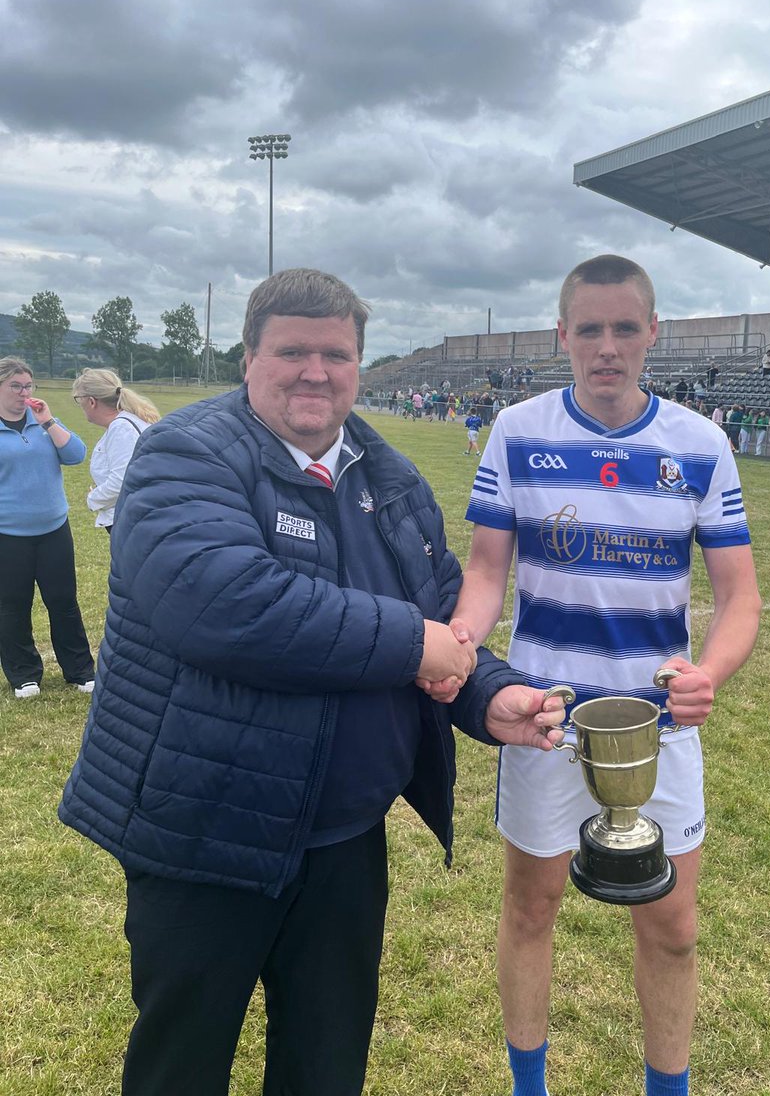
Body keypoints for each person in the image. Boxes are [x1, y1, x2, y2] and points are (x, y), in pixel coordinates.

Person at [58, 270, 566, 1096]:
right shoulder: (183, 453)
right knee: (181, 1066)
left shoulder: (388, 476)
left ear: (360, 364)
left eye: (336, 354)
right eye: (292, 350)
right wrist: (415, 645)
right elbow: (227, 605)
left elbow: (440, 610)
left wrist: (487, 691)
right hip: (205, 829)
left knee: (326, 1067)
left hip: (343, 838)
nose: (315, 372)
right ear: (249, 357)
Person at [446, 255, 761, 1096]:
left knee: (673, 930)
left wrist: (711, 675)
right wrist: (464, 641)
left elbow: (740, 600)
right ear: (563, 335)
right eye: (590, 329)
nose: (608, 347)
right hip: (545, 721)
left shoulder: (700, 444)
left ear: (652, 332)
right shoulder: (518, 430)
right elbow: (484, 570)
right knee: (531, 910)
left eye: (626, 328)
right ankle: (528, 1088)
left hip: (658, 731)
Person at [0, 356, 95, 699]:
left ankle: (80, 670)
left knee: (63, 601)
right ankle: (24, 675)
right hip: (8, 536)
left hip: (54, 530)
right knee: (12, 605)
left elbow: (75, 455)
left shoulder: (42, 422)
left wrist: (48, 420)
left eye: (27, 385)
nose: (23, 392)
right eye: (15, 386)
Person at [71, 369, 161, 532]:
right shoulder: (127, 422)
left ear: (92, 401)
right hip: (139, 517)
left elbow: (122, 481)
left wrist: (93, 498)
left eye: (79, 399)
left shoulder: (121, 428)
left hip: (132, 521)